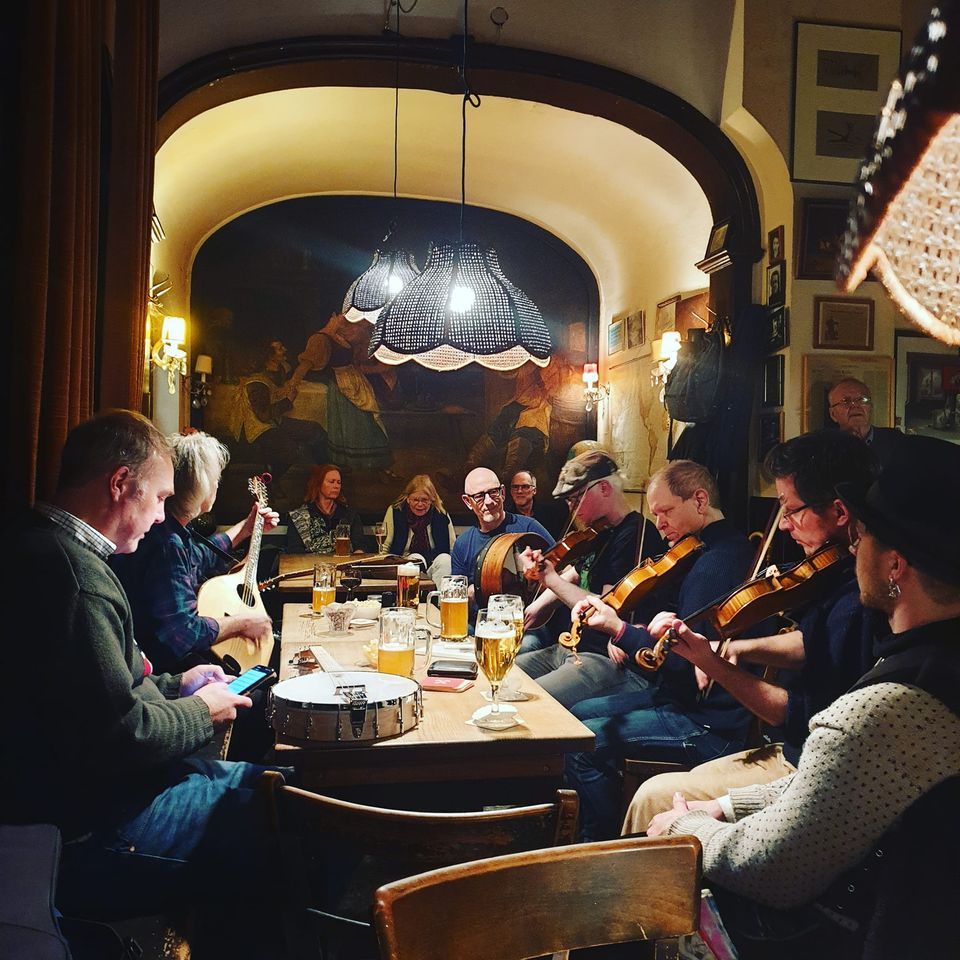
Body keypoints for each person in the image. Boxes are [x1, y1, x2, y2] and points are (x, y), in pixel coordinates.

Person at [647, 435, 960, 960]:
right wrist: (725, 804)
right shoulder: (931, 662)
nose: (854, 548)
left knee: (664, 845)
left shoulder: (883, 710)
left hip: (849, 933)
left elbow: (776, 868)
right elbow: (845, 785)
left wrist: (686, 826)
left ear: (895, 566)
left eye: (865, 537)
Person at [1, 410, 286, 957]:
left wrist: (179, 684)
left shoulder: (48, 546)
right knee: (285, 822)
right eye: (158, 499)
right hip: (84, 826)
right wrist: (202, 710)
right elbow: (121, 733)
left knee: (280, 783)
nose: (162, 517)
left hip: (99, 794)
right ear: (120, 485)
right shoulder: (73, 578)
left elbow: (105, 691)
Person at [623, 430, 883, 832]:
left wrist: (715, 662)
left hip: (804, 762)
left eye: (791, 510)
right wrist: (741, 647)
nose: (784, 527)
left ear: (839, 512)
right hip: (792, 748)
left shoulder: (861, 597)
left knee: (652, 796)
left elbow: (798, 715)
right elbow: (816, 644)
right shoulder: (836, 578)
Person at [562, 459, 756, 841]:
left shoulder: (714, 565)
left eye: (666, 511)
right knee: (577, 716)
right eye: (655, 514)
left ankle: (598, 843)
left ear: (699, 501)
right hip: (678, 700)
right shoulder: (704, 551)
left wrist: (620, 630)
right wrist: (636, 629)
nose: (660, 523)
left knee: (580, 742)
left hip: (704, 722)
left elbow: (685, 670)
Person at [110, 431, 277, 676]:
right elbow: (182, 634)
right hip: (162, 676)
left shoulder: (172, 532)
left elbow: (200, 558)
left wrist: (246, 528)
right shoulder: (167, 542)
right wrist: (242, 623)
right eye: (216, 480)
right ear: (202, 485)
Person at [513, 451, 666, 707]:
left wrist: (550, 578)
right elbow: (572, 574)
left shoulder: (634, 535)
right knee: (503, 675)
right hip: (570, 646)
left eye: (575, 498)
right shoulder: (598, 532)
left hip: (602, 657)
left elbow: (604, 604)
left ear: (604, 488)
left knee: (530, 702)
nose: (570, 508)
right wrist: (538, 602)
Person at [284, 310, 393, 474]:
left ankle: (375, 464)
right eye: (341, 317)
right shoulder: (320, 339)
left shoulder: (340, 337)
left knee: (367, 421)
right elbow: (304, 366)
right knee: (355, 423)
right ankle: (353, 463)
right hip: (342, 385)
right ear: (332, 317)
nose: (345, 320)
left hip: (355, 381)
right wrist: (292, 385)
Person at [229, 338, 329, 485]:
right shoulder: (256, 382)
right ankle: (268, 482)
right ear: (269, 355)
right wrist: (288, 401)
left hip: (274, 421)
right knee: (290, 450)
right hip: (256, 428)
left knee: (315, 430)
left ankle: (325, 473)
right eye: (280, 348)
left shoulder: (279, 371)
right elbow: (263, 415)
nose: (285, 350)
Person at [450, 466, 553, 590]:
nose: (489, 502)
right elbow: (457, 592)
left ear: (502, 493)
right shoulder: (463, 544)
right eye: (479, 496)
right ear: (468, 502)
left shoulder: (529, 527)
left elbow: (563, 568)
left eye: (493, 492)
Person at [382, 473, 456, 583]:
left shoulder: (440, 514)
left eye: (425, 500)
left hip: (434, 566)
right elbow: (385, 547)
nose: (420, 504)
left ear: (431, 500)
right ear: (408, 499)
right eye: (415, 500)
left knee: (445, 559)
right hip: (404, 567)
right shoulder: (395, 512)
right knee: (415, 558)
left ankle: (439, 598)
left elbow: (452, 548)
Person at [286, 463, 371, 553]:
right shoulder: (299, 516)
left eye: (339, 482)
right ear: (318, 484)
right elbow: (295, 550)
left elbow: (360, 545)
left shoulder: (350, 515)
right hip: (311, 565)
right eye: (331, 482)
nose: (336, 486)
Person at [827, 376, 903, 468]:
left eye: (862, 400)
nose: (855, 406)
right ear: (833, 414)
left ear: (870, 407)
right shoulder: (825, 449)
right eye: (846, 401)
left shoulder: (895, 441)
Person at [507, 469, 567, 538]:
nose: (519, 491)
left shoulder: (551, 513)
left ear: (534, 491)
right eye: (515, 487)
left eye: (525, 487)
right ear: (511, 491)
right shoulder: (507, 518)